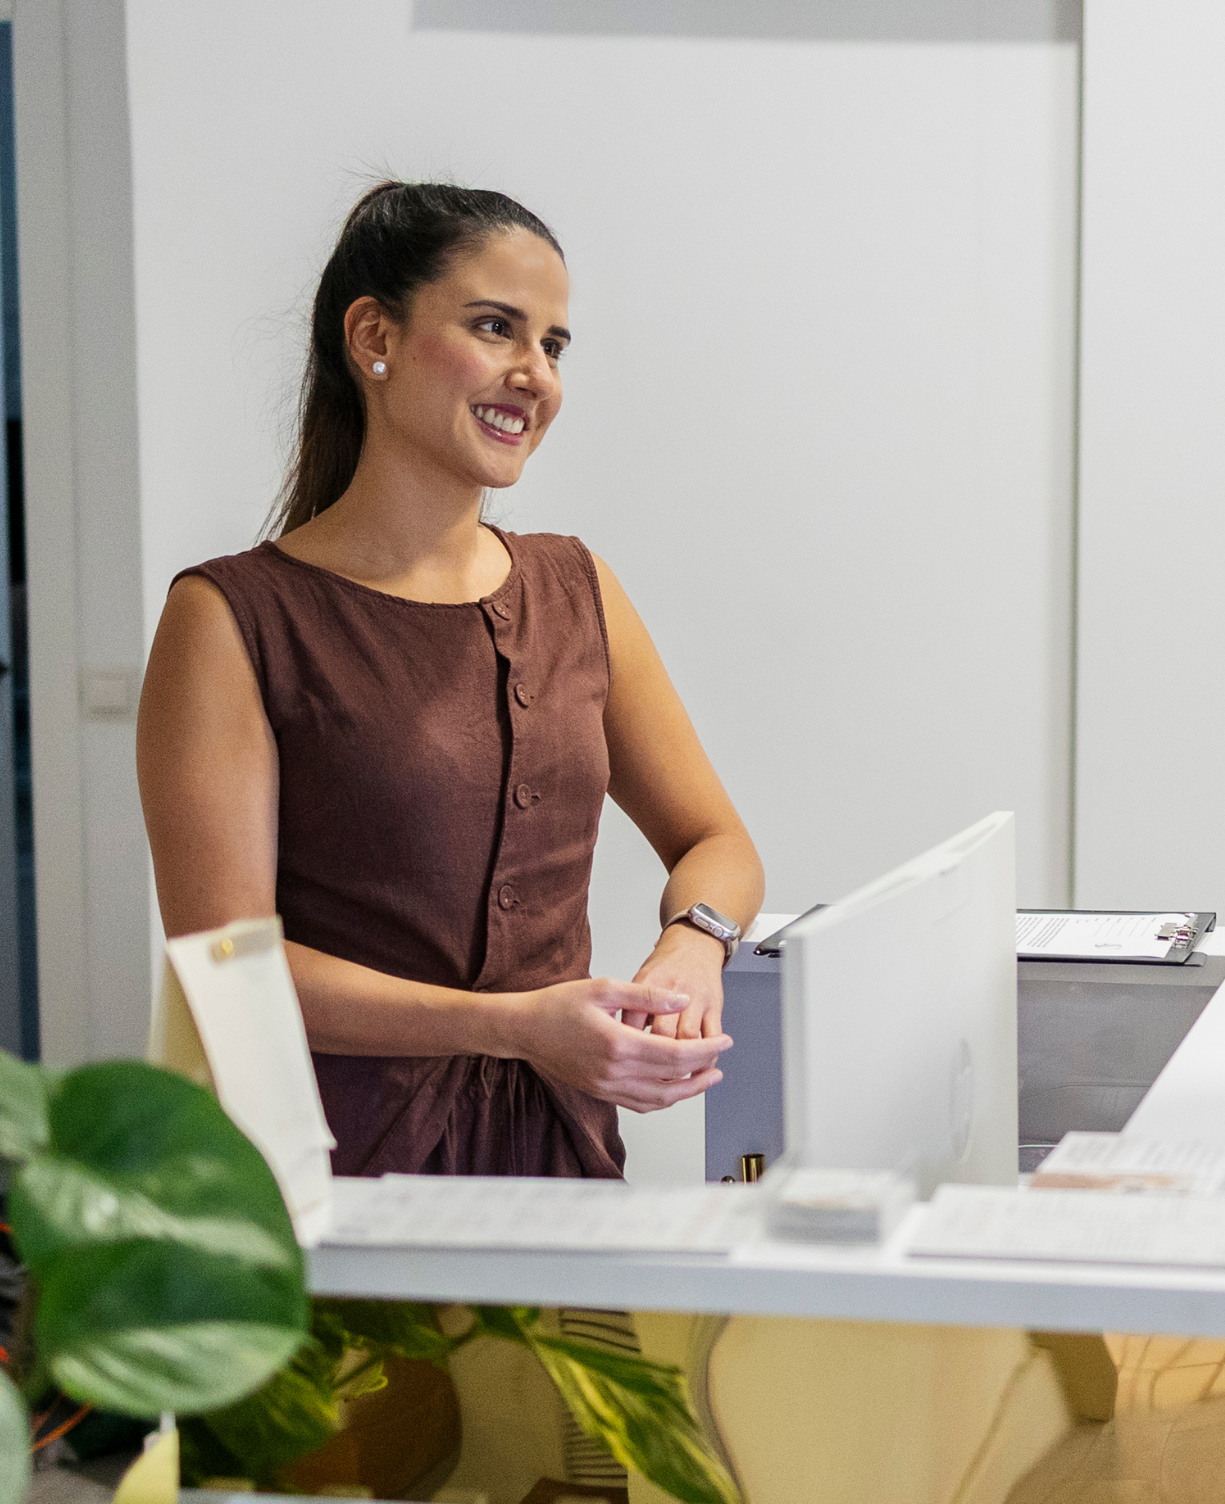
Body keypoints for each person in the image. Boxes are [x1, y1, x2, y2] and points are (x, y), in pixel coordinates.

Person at [138, 181, 763, 1179]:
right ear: (373, 336)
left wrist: (693, 943)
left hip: (560, 1157)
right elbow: (231, 970)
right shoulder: (228, 619)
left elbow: (716, 842)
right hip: (328, 1177)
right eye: (494, 327)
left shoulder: (578, 587)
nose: (535, 375)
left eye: (553, 345)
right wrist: (514, 1026)